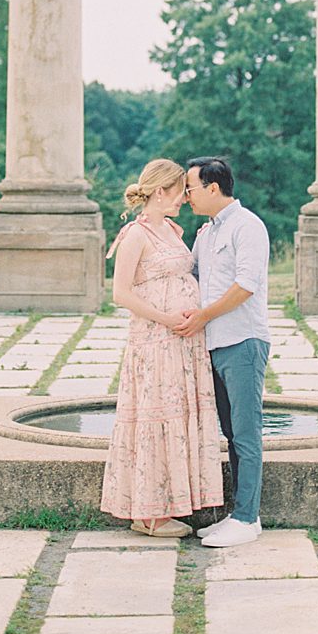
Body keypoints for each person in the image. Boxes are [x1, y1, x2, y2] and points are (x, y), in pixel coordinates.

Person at [100, 158, 224, 537]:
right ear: (159, 192)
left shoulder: (173, 229)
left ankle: (170, 503)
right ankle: (147, 514)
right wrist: (166, 318)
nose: (185, 199)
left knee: (179, 418)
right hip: (155, 341)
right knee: (155, 419)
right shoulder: (135, 235)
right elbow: (120, 293)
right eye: (178, 192)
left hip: (182, 343)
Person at [176, 156, 271, 548]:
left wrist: (202, 316)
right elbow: (191, 274)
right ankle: (239, 514)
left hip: (243, 341)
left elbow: (245, 286)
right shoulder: (207, 233)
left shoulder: (248, 227)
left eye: (190, 189)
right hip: (213, 344)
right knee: (230, 433)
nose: (186, 196)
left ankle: (248, 518)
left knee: (246, 435)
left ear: (213, 188)